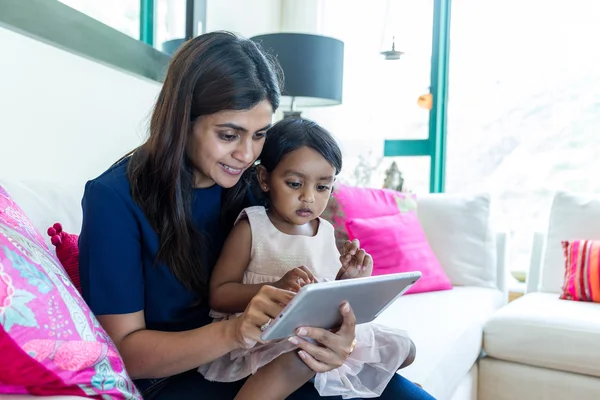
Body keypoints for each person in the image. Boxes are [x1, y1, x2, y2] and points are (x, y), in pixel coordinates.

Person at [78, 30, 435, 399]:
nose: (247, 155)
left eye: (260, 134)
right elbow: (126, 353)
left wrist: (339, 336)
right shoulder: (114, 198)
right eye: (229, 135)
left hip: (271, 353)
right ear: (183, 120)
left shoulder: (255, 184)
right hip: (180, 375)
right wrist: (236, 331)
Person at [198, 117, 416, 399]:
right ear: (265, 179)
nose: (308, 197)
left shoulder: (324, 230)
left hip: (318, 333)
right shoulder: (253, 227)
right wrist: (276, 287)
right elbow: (218, 295)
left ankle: (370, 381)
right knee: (299, 355)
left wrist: (347, 279)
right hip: (267, 335)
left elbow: (327, 293)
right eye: (294, 183)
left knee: (405, 348)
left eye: (322, 187)